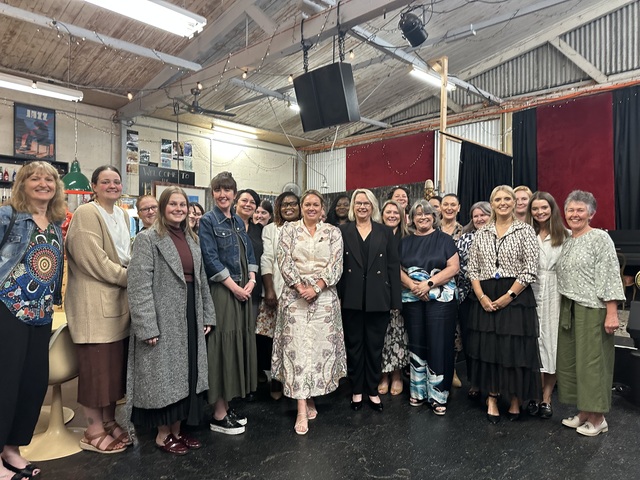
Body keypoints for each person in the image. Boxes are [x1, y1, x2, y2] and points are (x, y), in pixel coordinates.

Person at [128, 187, 215, 455]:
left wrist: (207, 314)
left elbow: (201, 280)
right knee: (163, 377)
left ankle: (177, 430)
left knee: (186, 374)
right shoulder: (147, 239)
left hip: (190, 312)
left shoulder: (192, 239)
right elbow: (138, 286)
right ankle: (162, 434)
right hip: (162, 316)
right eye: (173, 204)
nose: (179, 209)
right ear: (163, 207)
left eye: (183, 205)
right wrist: (146, 326)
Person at [0, 161, 66, 480]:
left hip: (41, 313)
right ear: (22, 184)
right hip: (8, 309)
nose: (43, 184)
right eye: (35, 179)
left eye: (49, 179)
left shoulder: (54, 221)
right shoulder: (8, 215)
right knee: (5, 383)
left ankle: (12, 449)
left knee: (32, 383)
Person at [65, 165, 132, 453]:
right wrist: (131, 278)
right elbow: (94, 260)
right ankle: (92, 431)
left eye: (116, 181)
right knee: (96, 372)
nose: (112, 185)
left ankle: (108, 421)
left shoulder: (122, 215)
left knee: (112, 371)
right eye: (105, 181)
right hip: (93, 307)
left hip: (117, 305)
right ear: (94, 186)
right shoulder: (86, 214)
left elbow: (126, 254)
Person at [271, 190, 346, 435]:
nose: (311, 208)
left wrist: (317, 288)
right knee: (298, 350)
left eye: (315, 204)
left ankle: (310, 394)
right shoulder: (289, 230)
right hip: (295, 298)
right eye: (307, 204)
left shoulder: (333, 232)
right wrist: (300, 287)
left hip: (324, 300)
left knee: (315, 350)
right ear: (301, 207)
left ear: (322, 208)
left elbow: (336, 264)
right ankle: (301, 408)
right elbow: (284, 260)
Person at [466, 185, 541, 424]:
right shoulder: (482, 232)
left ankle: (516, 399)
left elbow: (530, 268)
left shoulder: (525, 230)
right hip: (485, 296)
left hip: (516, 297)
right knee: (490, 349)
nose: (503, 203)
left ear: (514, 202)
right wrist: (481, 297)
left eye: (507, 198)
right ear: (492, 204)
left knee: (514, 349)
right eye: (498, 199)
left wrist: (508, 296)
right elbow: (472, 269)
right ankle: (492, 398)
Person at [556, 190, 625, 436]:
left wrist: (612, 313)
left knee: (593, 364)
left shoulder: (599, 238)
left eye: (580, 210)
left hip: (593, 309)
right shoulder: (568, 239)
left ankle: (598, 419)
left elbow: (610, 275)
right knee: (574, 362)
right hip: (570, 307)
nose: (574, 214)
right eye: (570, 210)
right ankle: (584, 411)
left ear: (591, 214)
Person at [199, 172, 257, 435]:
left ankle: (227, 405)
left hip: (242, 291)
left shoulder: (237, 221)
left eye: (227, 190)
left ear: (234, 193)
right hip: (224, 292)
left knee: (235, 348)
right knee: (222, 349)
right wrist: (235, 288)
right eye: (218, 190)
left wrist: (252, 281)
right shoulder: (208, 221)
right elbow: (210, 259)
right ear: (213, 193)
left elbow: (250, 254)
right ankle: (219, 414)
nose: (223, 194)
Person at [339, 190, 401, 413]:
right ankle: (357, 390)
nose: (362, 207)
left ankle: (372, 391)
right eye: (358, 203)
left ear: (373, 206)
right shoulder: (342, 231)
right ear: (353, 206)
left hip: (378, 298)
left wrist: (395, 301)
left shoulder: (385, 231)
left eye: (366, 203)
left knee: (375, 347)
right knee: (354, 347)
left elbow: (393, 266)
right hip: (351, 298)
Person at [400, 201, 459, 415]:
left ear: (434, 217)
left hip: (441, 300)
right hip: (412, 298)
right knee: (417, 344)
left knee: (439, 343)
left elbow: (454, 267)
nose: (422, 217)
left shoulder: (445, 239)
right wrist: (413, 286)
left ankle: (438, 395)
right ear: (412, 219)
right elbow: (396, 269)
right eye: (418, 214)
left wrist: (428, 284)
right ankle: (418, 392)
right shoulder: (405, 242)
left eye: (427, 214)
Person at [525, 191, 569, 419]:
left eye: (544, 207)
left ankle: (547, 397)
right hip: (529, 290)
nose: (540, 212)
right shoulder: (526, 233)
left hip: (554, 292)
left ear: (552, 209)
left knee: (551, 345)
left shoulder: (565, 235)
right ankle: (532, 394)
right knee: (532, 345)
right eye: (535, 208)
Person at [257, 192, 301, 400]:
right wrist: (269, 289)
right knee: (276, 340)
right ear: (278, 207)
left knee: (297, 339)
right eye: (284, 204)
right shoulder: (271, 229)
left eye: (293, 204)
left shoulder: (306, 228)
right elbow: (267, 259)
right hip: (277, 290)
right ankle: (276, 379)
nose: (289, 208)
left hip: (301, 294)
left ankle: (296, 382)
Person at [455, 201, 491, 399]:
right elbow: (459, 267)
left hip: (493, 295)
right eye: (475, 216)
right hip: (468, 297)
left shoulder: (499, 235)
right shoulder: (464, 238)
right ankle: (475, 382)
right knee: (471, 342)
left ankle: (492, 384)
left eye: (483, 215)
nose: (479, 219)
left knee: (489, 342)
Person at [378, 200, 409, 396]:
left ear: (402, 216)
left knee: (398, 334)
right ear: (382, 215)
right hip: (381, 292)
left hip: (404, 291)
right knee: (382, 334)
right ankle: (383, 374)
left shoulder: (408, 237)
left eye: (395, 212)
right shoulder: (376, 234)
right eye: (388, 212)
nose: (392, 215)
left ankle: (397, 375)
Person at [235, 189, 263, 397]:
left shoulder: (259, 230)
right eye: (244, 200)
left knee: (249, 337)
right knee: (232, 336)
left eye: (252, 202)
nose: (248, 204)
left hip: (254, 289)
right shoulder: (227, 226)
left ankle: (248, 383)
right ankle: (233, 384)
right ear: (236, 202)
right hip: (230, 288)